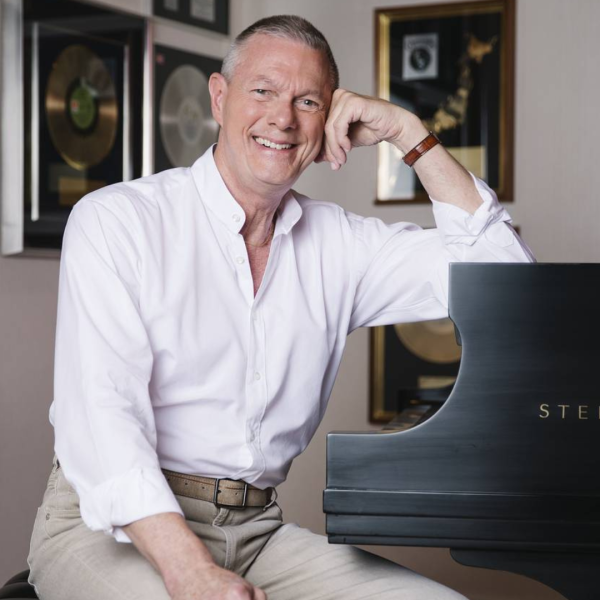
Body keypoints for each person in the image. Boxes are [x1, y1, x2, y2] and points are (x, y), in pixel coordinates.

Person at [26, 14, 533, 600]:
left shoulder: (341, 244)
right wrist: (189, 571)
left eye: (308, 101)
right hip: (108, 530)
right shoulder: (118, 221)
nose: (283, 118)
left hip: (257, 533)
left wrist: (407, 132)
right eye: (262, 90)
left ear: (328, 122)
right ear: (220, 98)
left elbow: (508, 279)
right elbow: (104, 423)